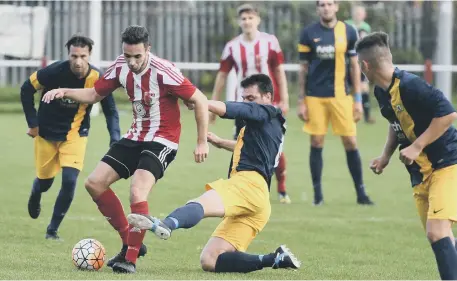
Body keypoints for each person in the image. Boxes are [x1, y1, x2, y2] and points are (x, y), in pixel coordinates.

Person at [41, 25, 209, 274]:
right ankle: (130, 242)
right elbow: (95, 93)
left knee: (136, 191)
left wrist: (201, 141)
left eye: (137, 56)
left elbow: (200, 100)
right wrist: (64, 91)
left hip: (162, 140)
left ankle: (129, 259)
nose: (131, 62)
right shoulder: (120, 66)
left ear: (148, 50)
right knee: (94, 183)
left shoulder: (164, 71)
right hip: (135, 137)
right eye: (127, 55)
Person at [127, 74, 300, 273]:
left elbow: (230, 109)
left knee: (200, 203)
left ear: (268, 96)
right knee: (210, 259)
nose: (246, 103)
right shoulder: (271, 123)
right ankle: (274, 258)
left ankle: (166, 224)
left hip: (247, 184)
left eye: (251, 98)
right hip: (260, 201)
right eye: (243, 98)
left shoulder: (265, 111)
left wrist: (201, 101)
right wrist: (220, 142)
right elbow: (249, 148)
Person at [356, 31, 457, 280]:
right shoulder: (382, 91)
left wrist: (417, 146)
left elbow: (447, 115)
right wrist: (385, 156)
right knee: (442, 237)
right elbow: (395, 123)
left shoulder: (411, 85)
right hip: (420, 173)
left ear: (365, 65)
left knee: (437, 232)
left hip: (447, 164)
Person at [21, 34, 121, 240]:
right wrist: (33, 124)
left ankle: (52, 230)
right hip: (47, 134)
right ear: (69, 54)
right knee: (45, 183)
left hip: (76, 135)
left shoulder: (97, 78)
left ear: (89, 55)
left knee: (69, 181)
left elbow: (110, 110)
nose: (78, 61)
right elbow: (26, 89)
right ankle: (36, 191)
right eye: (74, 56)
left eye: (82, 56)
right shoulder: (53, 72)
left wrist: (115, 138)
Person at [210, 3, 291, 204]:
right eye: (244, 18)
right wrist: (213, 103)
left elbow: (279, 71)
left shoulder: (270, 42)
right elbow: (222, 75)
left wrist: (285, 98)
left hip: (267, 104)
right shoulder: (232, 46)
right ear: (239, 22)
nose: (247, 21)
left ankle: (281, 188)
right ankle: (236, 185)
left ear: (258, 20)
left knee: (273, 145)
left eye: (250, 18)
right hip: (244, 106)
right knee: (241, 143)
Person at [297, 0, 373, 206]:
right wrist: (301, 100)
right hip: (315, 97)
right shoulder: (308, 33)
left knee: (350, 142)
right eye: (322, 4)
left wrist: (358, 99)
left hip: (342, 96)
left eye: (330, 4)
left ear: (336, 7)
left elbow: (355, 67)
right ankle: (318, 196)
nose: (326, 7)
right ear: (317, 9)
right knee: (316, 142)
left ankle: (361, 194)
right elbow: (303, 68)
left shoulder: (349, 32)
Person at [345, 4, 375, 124]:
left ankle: (367, 116)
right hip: (347, 62)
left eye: (360, 13)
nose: (358, 15)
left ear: (364, 15)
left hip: (360, 61)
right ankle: (348, 114)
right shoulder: (346, 25)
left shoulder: (365, 27)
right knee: (347, 88)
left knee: (364, 87)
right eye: (356, 13)